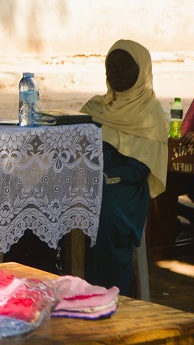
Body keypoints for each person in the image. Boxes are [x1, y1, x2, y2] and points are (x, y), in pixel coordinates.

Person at [81, 40, 168, 293]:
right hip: (91, 179)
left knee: (105, 212)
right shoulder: (96, 106)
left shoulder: (151, 112)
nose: (115, 71)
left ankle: (113, 292)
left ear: (141, 70)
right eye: (111, 65)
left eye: (123, 65)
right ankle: (72, 285)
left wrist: (107, 177)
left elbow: (140, 168)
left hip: (126, 188)